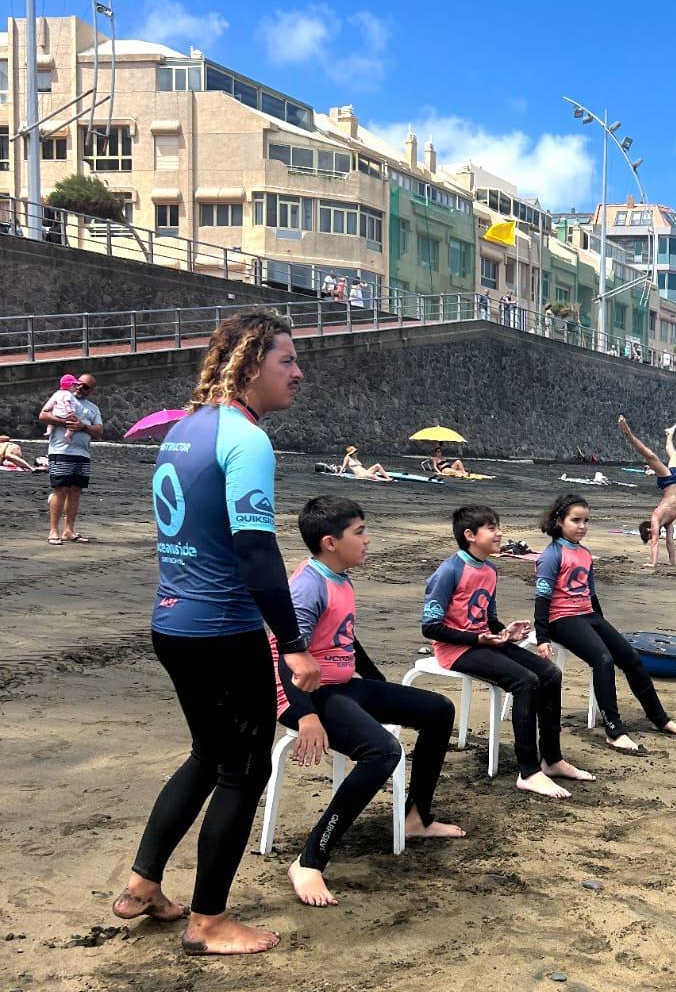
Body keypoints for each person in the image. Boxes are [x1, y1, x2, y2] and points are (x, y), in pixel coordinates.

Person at [113, 311, 322, 955]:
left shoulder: (185, 430)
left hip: (171, 622)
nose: (297, 371)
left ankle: (144, 882)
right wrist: (293, 644)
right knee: (243, 768)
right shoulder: (246, 439)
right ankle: (209, 922)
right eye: (285, 359)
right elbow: (255, 551)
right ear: (250, 362)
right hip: (221, 630)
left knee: (209, 754)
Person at [274, 496, 460, 908]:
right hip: (303, 694)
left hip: (340, 686)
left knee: (437, 710)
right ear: (329, 542)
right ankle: (309, 859)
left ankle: (416, 818)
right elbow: (285, 658)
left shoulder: (340, 576)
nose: (368, 540)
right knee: (382, 752)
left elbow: (345, 640)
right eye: (359, 532)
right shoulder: (308, 585)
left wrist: (383, 688)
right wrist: (305, 718)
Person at [422, 504, 590, 797]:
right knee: (525, 681)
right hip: (455, 650)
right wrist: (478, 640)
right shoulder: (450, 570)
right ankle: (528, 771)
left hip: (482, 643)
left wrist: (505, 632)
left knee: (550, 672)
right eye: (492, 528)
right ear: (470, 535)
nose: (500, 533)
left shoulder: (489, 569)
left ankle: (551, 758)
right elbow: (431, 628)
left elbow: (487, 619)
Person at [537, 493, 676, 753]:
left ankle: (660, 719)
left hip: (587, 615)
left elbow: (591, 595)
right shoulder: (551, 555)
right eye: (575, 520)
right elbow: (542, 598)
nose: (582, 526)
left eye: (586, 521)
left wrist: (602, 626)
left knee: (632, 658)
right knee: (603, 660)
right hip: (562, 619)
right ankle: (614, 730)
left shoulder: (585, 553)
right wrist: (543, 637)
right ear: (559, 522)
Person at [39, 370, 102, 545]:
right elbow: (43, 415)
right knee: (60, 489)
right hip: (61, 451)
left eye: (86, 386)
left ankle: (69, 530)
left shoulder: (93, 408)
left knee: (75, 491)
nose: (80, 387)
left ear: (91, 390)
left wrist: (82, 426)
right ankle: (53, 531)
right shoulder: (62, 395)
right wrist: (65, 422)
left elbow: (99, 431)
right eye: (79, 383)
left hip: (82, 454)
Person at [617, 415, 676, 569]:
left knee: (650, 456)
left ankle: (627, 432)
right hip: (675, 481)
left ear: (648, 529)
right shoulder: (668, 522)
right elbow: (669, 542)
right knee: (675, 455)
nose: (654, 535)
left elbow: (654, 542)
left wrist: (652, 563)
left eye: (650, 533)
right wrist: (672, 563)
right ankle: (669, 435)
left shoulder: (656, 517)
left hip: (668, 480)